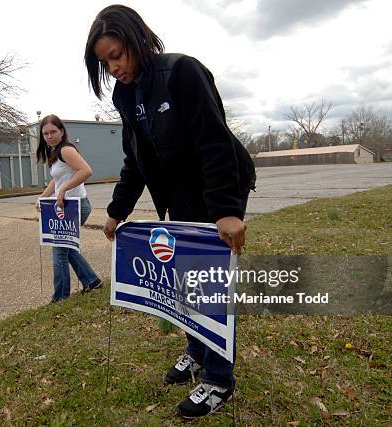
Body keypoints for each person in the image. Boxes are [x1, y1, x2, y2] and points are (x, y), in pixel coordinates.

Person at [84, 5, 256, 419]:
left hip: (220, 186)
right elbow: (135, 158)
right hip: (178, 197)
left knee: (208, 283)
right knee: (182, 281)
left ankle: (218, 379)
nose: (114, 68)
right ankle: (195, 350)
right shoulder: (124, 95)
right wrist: (116, 210)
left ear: (138, 39)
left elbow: (213, 142)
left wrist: (226, 212)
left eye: (118, 55)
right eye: (105, 62)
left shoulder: (182, 73)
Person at [36, 114, 102, 303]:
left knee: (59, 250)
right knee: (67, 247)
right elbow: (56, 180)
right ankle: (92, 281)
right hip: (66, 208)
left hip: (76, 206)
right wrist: (42, 198)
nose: (49, 136)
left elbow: (86, 170)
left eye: (53, 132)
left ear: (62, 131)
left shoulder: (66, 150)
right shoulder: (55, 151)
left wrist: (64, 189)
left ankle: (61, 297)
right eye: (46, 133)